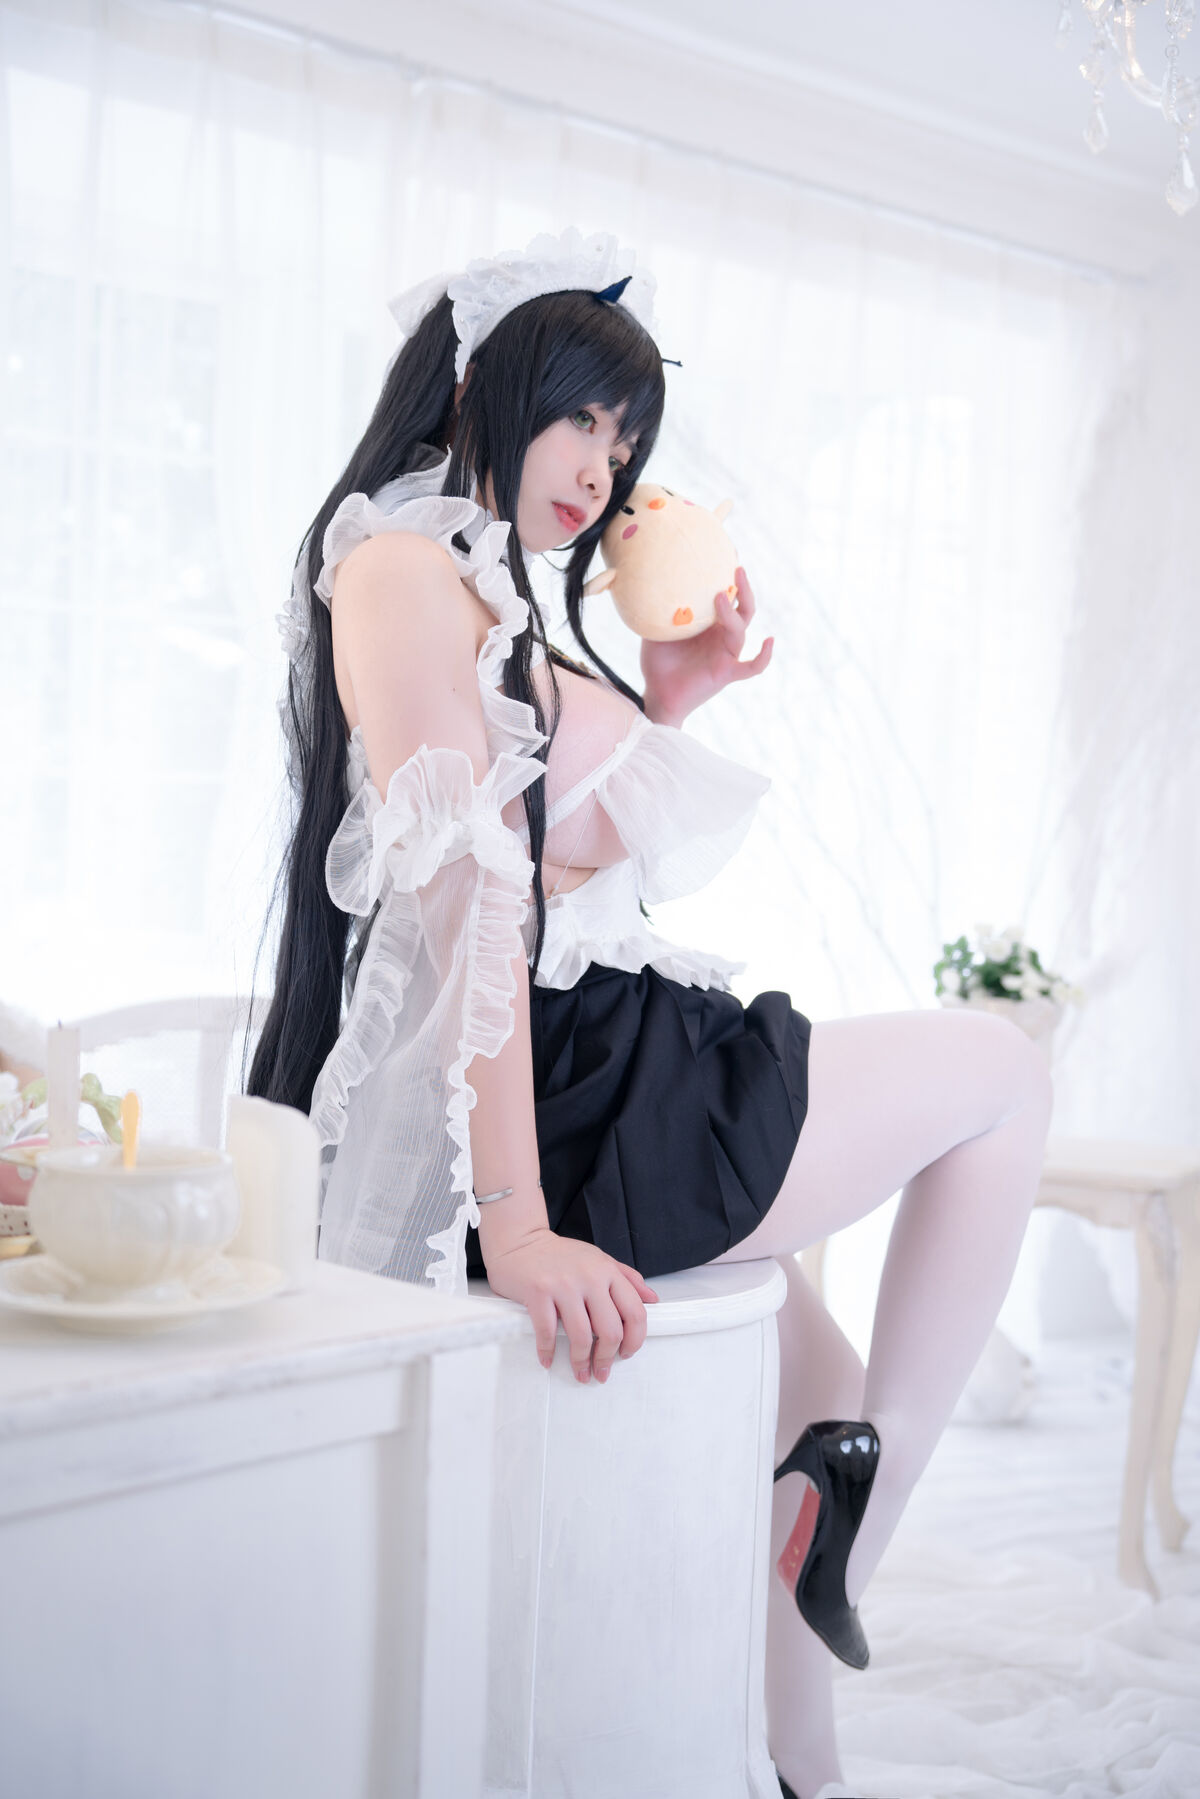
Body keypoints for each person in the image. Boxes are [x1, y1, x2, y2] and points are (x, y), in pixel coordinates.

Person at [248, 227, 1053, 1799]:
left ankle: (800, 1759)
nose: (602, 467)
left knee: (820, 1389)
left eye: (625, 441)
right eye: (581, 416)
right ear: (481, 386)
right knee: (1003, 1075)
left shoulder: (477, 588)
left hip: (590, 1066)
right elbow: (470, 904)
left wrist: (667, 698)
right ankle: (872, 1509)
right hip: (579, 1097)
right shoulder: (402, 568)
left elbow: (555, 849)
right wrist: (520, 1225)